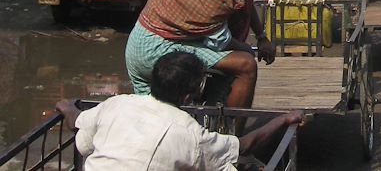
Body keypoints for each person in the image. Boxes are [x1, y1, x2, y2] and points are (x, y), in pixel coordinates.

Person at [59, 52, 302, 170]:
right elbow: (245, 146)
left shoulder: (117, 104)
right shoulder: (190, 133)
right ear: (188, 96)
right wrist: (283, 119)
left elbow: (77, 122)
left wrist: (66, 106)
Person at [125, 0, 275, 114]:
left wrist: (261, 36)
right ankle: (235, 139)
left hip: (144, 42)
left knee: (150, 118)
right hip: (153, 48)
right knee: (245, 65)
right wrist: (247, 49)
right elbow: (220, 42)